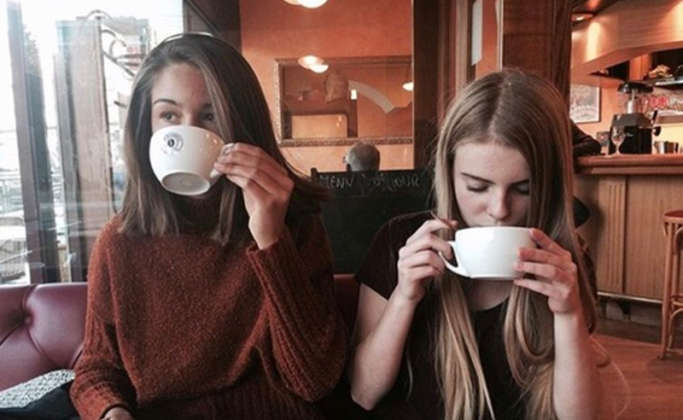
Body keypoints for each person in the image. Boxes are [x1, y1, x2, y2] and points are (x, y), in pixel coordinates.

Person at [70, 33, 347, 420]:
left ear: (241, 124)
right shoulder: (120, 242)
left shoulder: (295, 226)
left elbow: (313, 381)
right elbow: (97, 369)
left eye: (210, 115)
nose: (189, 131)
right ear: (146, 129)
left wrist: (271, 239)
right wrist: (111, 412)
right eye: (169, 116)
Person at [348, 69, 608, 420]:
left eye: (524, 188)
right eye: (477, 186)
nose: (500, 210)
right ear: (448, 172)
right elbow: (363, 393)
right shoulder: (400, 243)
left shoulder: (562, 263)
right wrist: (404, 297)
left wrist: (569, 315)